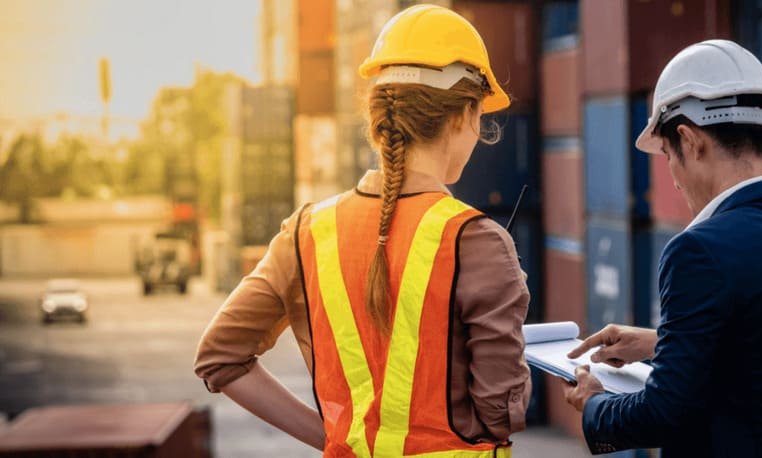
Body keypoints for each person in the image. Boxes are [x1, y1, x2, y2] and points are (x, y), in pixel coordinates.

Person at [194, 5, 531, 457]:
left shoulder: (306, 232)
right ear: (462, 116)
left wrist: (334, 439)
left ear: (379, 118)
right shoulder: (478, 241)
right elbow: (498, 414)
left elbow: (219, 358)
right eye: (479, 117)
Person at [563, 39, 762, 457]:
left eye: (669, 155)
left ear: (690, 141)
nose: (672, 177)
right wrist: (664, 343)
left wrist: (594, 403)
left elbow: (663, 413)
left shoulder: (698, 251)